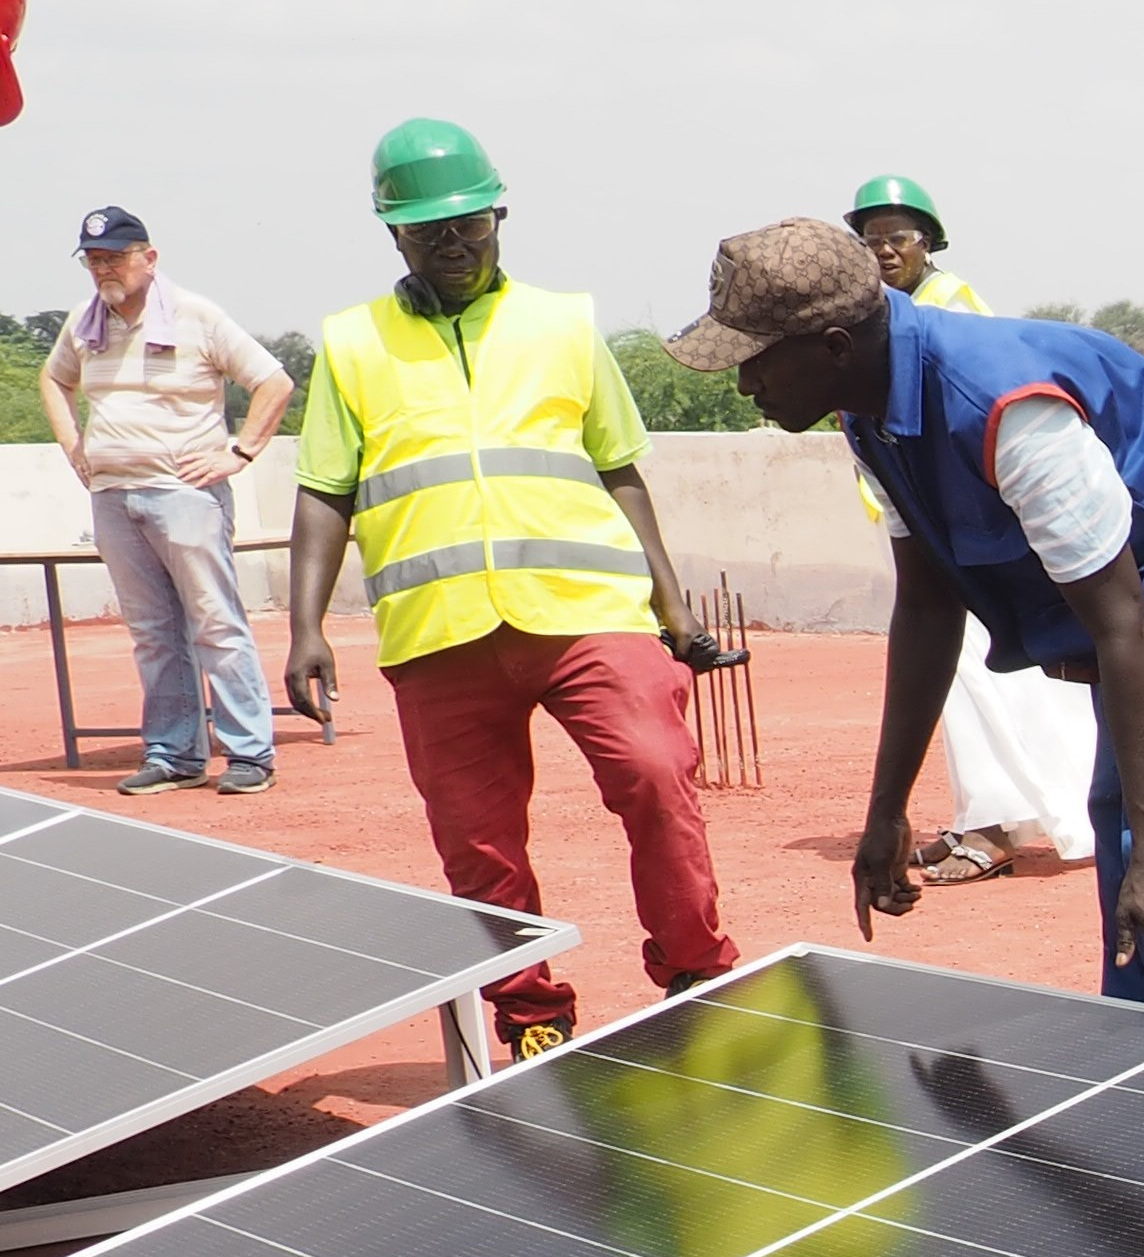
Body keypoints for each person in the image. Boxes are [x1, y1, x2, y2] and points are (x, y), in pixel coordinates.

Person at [679, 217, 1144, 1021]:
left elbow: (1122, 626)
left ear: (834, 346)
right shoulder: (869, 412)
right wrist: (887, 810)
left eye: (756, 359)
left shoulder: (1007, 408)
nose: (745, 385)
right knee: (1139, 902)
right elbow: (927, 603)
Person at [285, 119, 741, 1060]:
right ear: (394, 233)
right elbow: (325, 490)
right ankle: (532, 1016)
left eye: (469, 224)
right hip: (439, 633)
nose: (453, 244)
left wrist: (671, 603)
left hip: (588, 613)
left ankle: (697, 971)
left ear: (500, 215)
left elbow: (620, 468)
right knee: (478, 843)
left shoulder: (565, 322)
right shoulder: (351, 343)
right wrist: (306, 628)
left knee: (656, 774)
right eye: (428, 230)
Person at [841, 173, 1095, 886]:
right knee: (965, 680)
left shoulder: (949, 307)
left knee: (979, 671)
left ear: (929, 243)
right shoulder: (887, 312)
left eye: (897, 237)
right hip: (930, 518)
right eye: (870, 239)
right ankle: (989, 815)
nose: (883, 250)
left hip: (966, 520)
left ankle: (993, 824)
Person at [38, 205, 289, 797]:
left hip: (185, 494)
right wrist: (75, 446)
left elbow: (273, 381)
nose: (103, 269)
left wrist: (241, 452)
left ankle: (249, 752)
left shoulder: (196, 316)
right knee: (153, 631)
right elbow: (53, 379)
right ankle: (174, 754)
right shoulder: (84, 323)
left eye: (114, 258)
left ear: (148, 259)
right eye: (93, 260)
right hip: (114, 496)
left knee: (215, 623)